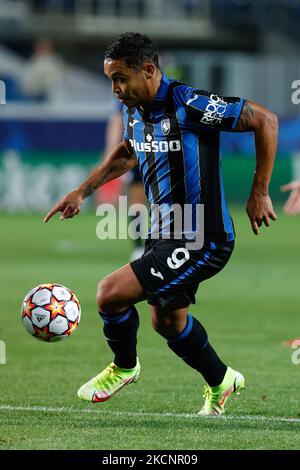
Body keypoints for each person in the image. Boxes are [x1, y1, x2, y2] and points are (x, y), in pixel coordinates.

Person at [44, 33, 278, 415]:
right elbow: (128, 151)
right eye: (111, 80)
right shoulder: (133, 108)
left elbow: (265, 120)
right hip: (165, 233)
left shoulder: (190, 104)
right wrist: (82, 192)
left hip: (203, 236)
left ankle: (124, 367)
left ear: (149, 70)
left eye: (121, 78)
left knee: (109, 294)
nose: (116, 89)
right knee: (168, 322)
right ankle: (222, 381)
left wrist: (259, 191)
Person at [96, 101, 146, 261]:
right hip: (142, 149)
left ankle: (141, 247)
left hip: (151, 149)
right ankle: (139, 247)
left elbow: (116, 122)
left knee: (140, 199)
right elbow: (117, 122)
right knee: (139, 199)